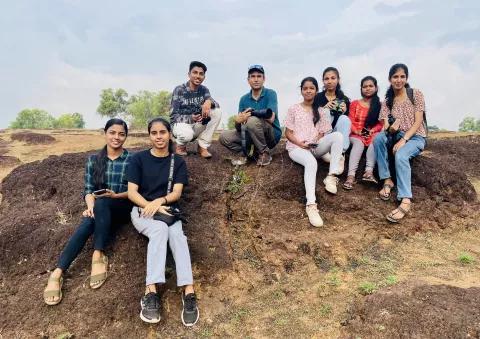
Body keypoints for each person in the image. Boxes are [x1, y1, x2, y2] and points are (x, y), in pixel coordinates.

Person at [43, 118, 132, 305]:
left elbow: (135, 191)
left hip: (123, 207)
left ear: (126, 136)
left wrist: (115, 196)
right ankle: (59, 272)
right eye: (113, 132)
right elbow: (88, 190)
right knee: (90, 218)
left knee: (104, 202)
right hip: (100, 209)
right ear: (105, 133)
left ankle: (97, 254)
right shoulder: (93, 160)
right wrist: (90, 207)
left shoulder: (132, 160)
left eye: (121, 134)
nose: (117, 137)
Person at [127, 117, 199, 326]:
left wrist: (160, 201)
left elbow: (177, 192)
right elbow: (132, 192)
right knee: (159, 229)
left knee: (178, 235)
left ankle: (188, 291)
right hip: (143, 212)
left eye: (163, 132)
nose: (159, 137)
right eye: (154, 133)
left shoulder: (177, 161)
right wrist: (153, 205)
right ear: (149, 135)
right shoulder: (138, 159)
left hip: (169, 211)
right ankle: (150, 292)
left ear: (169, 134)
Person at [285, 77, 344, 227]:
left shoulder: (322, 111)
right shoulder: (294, 109)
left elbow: (323, 132)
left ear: (316, 90)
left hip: (314, 146)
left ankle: (331, 176)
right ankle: (311, 205)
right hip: (297, 148)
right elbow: (288, 133)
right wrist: (301, 144)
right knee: (311, 163)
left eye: (311, 88)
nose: (308, 91)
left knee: (337, 136)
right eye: (305, 88)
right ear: (301, 90)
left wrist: (315, 141)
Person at [373, 63, 427, 223]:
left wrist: (404, 140)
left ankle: (405, 199)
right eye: (395, 77)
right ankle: (387, 179)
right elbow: (386, 128)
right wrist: (391, 130)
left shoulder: (415, 94)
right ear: (390, 79)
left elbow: (418, 122)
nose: (399, 80)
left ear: (407, 78)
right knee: (378, 138)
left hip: (415, 137)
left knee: (401, 155)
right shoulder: (387, 101)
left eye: (402, 76)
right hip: (396, 135)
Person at [219, 64, 281, 166]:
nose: (256, 79)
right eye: (252, 76)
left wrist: (252, 113)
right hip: (251, 133)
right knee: (224, 136)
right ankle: (245, 154)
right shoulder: (243, 99)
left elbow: (271, 118)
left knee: (251, 120)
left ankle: (264, 153)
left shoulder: (271, 93)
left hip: (271, 134)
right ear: (248, 80)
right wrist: (238, 121)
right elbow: (240, 128)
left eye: (259, 76)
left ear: (264, 79)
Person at [170, 61, 222, 158]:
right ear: (189, 74)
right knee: (186, 134)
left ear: (204, 77)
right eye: (195, 72)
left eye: (201, 74)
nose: (198, 76)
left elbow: (217, 105)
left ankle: (202, 146)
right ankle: (180, 146)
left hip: (196, 125)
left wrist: (209, 102)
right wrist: (191, 118)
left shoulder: (204, 90)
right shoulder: (179, 89)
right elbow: (173, 116)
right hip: (181, 126)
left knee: (217, 112)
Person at [342, 76, 383, 190]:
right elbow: (350, 120)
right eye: (365, 86)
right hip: (355, 134)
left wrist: (372, 131)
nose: (368, 88)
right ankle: (351, 176)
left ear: (376, 88)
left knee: (375, 140)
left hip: (370, 133)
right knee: (359, 143)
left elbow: (380, 124)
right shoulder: (355, 103)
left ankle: (368, 172)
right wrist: (357, 131)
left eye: (371, 86)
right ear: (361, 88)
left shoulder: (379, 105)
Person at [313, 67, 351, 170]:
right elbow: (311, 117)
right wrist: (324, 108)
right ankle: (325, 149)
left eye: (333, 78)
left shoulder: (344, 99)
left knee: (344, 118)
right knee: (325, 111)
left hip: (337, 132)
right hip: (322, 134)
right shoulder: (317, 97)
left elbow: (346, 123)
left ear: (338, 79)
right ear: (323, 81)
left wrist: (345, 111)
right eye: (327, 79)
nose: (329, 81)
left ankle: (340, 153)